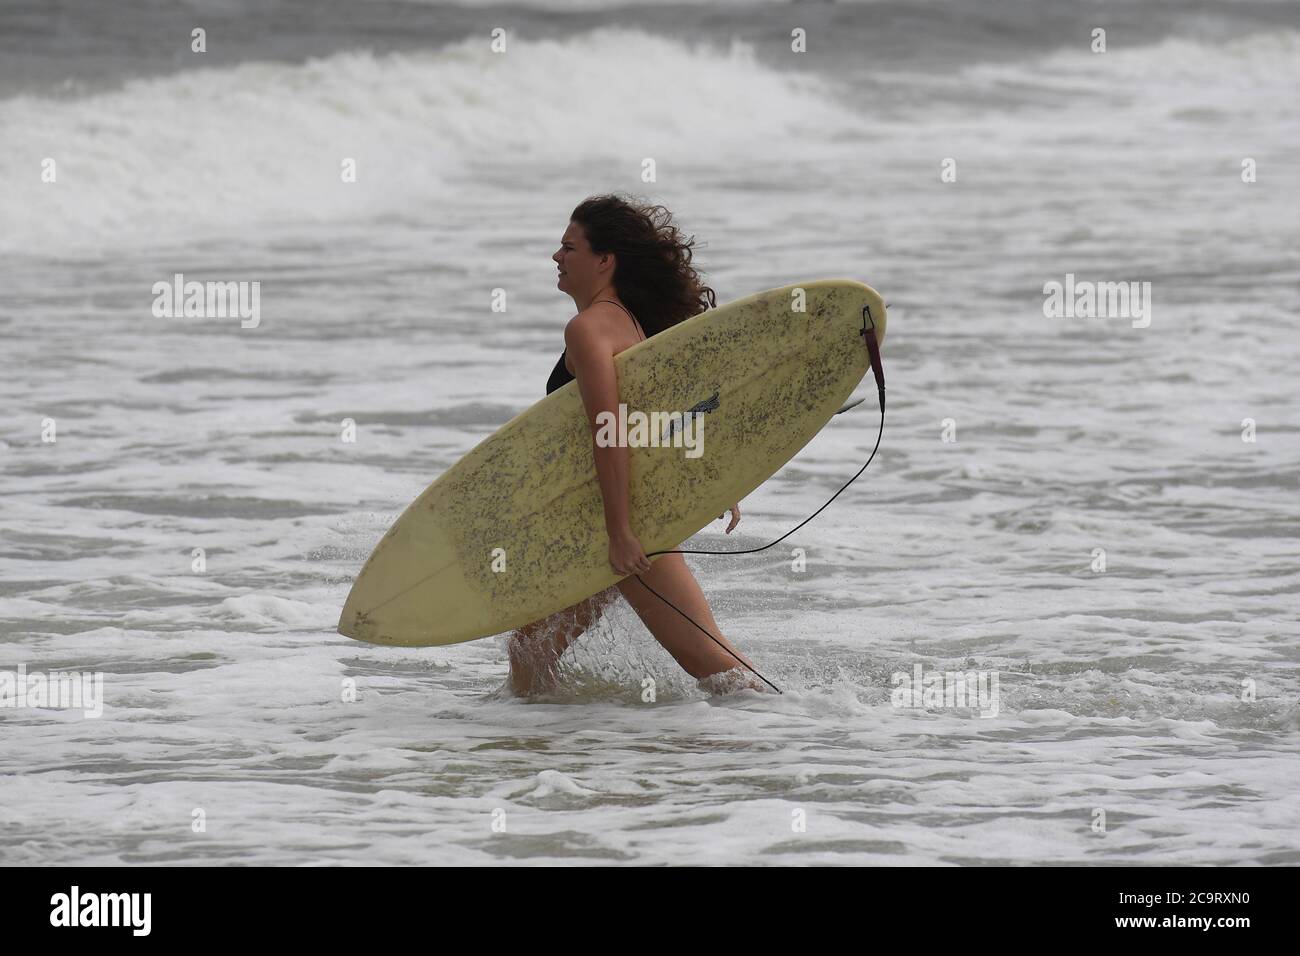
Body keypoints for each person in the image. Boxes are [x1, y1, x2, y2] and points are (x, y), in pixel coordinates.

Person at [505, 194, 765, 697]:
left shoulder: (589, 329)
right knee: (530, 649)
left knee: (712, 664)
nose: (556, 257)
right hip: (616, 519)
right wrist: (712, 481)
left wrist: (621, 532)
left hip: (628, 526)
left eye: (569, 248)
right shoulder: (629, 323)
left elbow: (612, 430)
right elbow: (664, 418)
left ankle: (802, 737)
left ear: (605, 260)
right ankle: (553, 750)